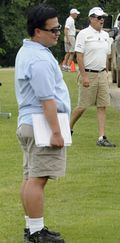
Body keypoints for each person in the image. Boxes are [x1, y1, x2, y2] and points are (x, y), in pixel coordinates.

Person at [15, 3, 69, 242]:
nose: (58, 33)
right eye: (53, 30)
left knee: (30, 178)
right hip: (41, 122)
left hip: (28, 122)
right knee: (38, 180)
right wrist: (56, 132)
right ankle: (37, 233)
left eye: (58, 28)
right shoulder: (39, 59)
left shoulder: (28, 51)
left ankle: (32, 227)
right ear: (38, 31)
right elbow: (47, 99)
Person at [70, 7, 115, 147]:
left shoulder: (106, 35)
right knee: (82, 106)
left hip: (101, 74)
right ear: (91, 18)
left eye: (103, 18)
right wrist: (84, 76)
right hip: (88, 73)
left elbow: (107, 55)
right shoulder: (83, 34)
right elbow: (79, 56)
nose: (102, 20)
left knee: (102, 106)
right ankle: (67, 128)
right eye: (99, 17)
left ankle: (101, 137)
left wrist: (107, 73)